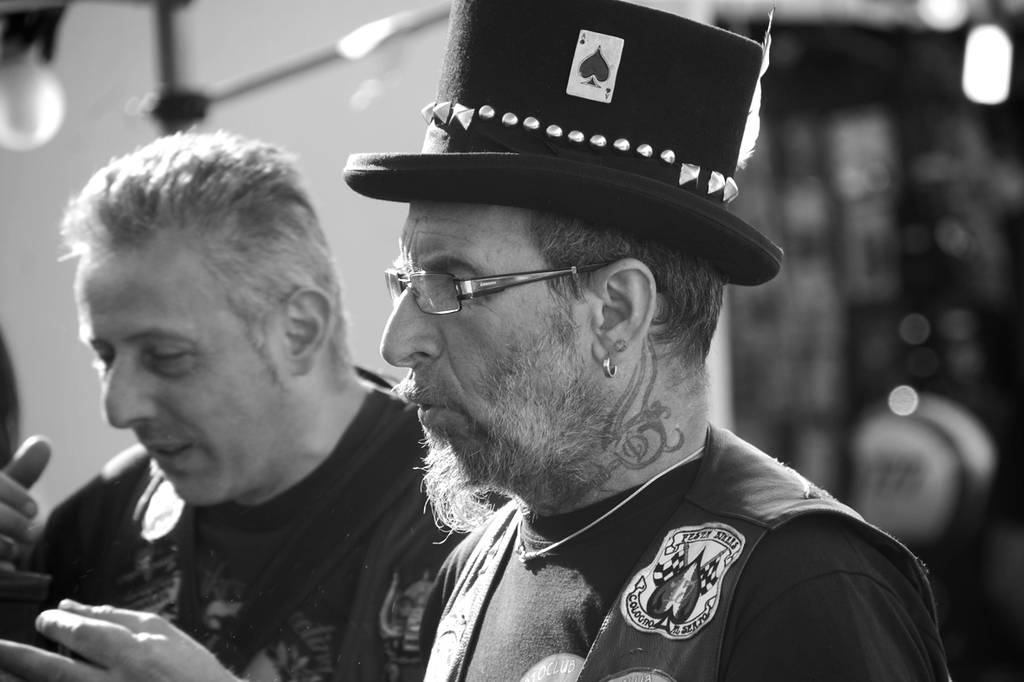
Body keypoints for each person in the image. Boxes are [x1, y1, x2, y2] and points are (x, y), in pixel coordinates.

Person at [340, 0, 953, 680]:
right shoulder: (471, 572)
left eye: (452, 285)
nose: (399, 342)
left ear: (617, 312)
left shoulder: (805, 587)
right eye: (405, 282)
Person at [0, 131, 451, 682]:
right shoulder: (97, 522)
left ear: (299, 330)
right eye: (104, 355)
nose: (118, 408)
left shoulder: (463, 518)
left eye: (166, 356)